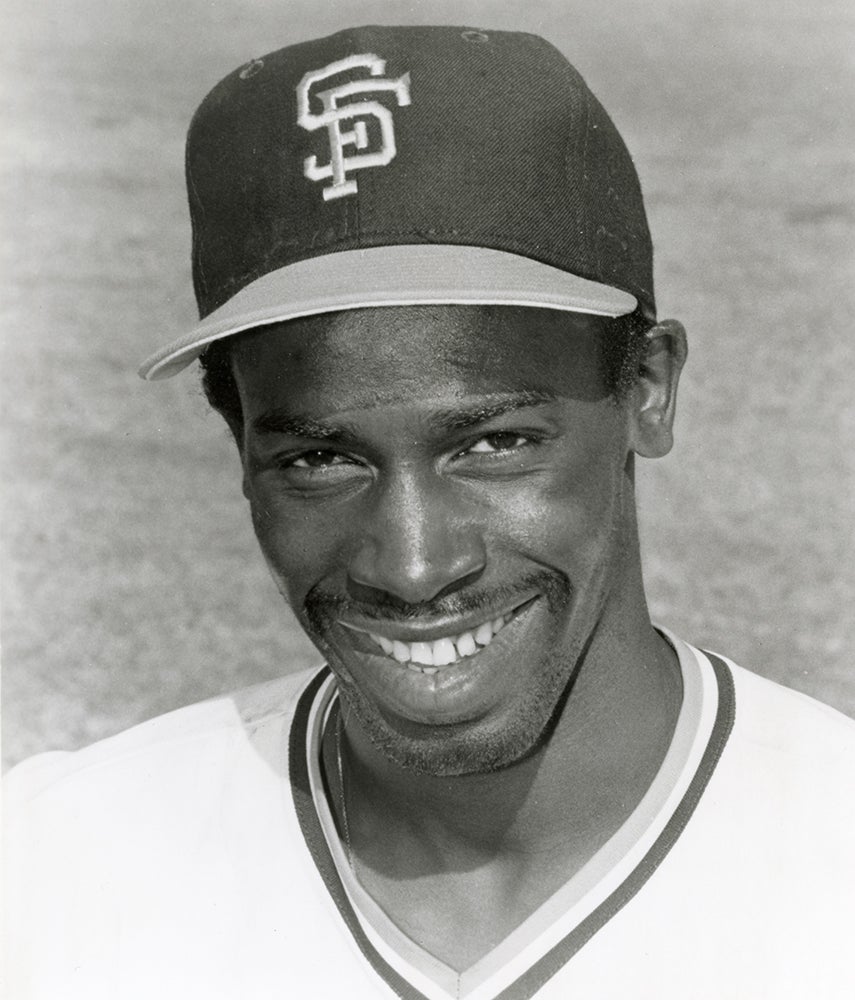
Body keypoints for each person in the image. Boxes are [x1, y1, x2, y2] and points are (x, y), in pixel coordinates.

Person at [5, 24, 854, 1000]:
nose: (411, 566)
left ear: (649, 389)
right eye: (320, 459)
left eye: (493, 444)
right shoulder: (56, 873)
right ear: (238, 445)